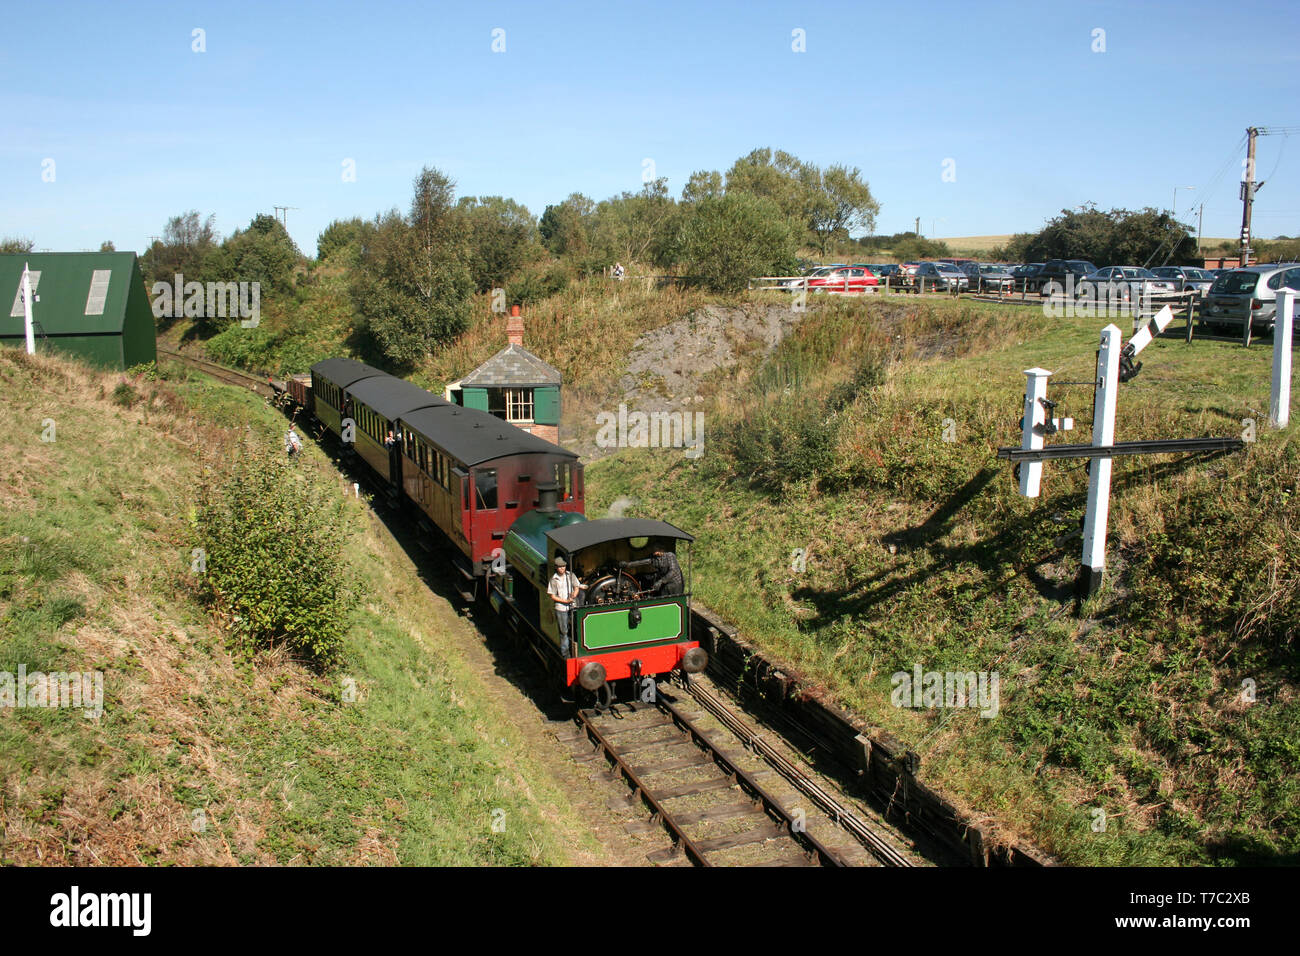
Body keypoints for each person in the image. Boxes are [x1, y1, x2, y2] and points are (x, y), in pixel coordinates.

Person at [547, 555, 585, 655]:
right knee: (564, 631)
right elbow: (552, 596)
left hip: (572, 605)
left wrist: (574, 595)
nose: (562, 568)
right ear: (556, 567)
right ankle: (565, 653)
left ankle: (579, 648)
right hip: (561, 608)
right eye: (560, 567)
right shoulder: (554, 579)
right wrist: (565, 601)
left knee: (577, 626)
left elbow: (576, 587)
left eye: (563, 566)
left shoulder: (571, 575)